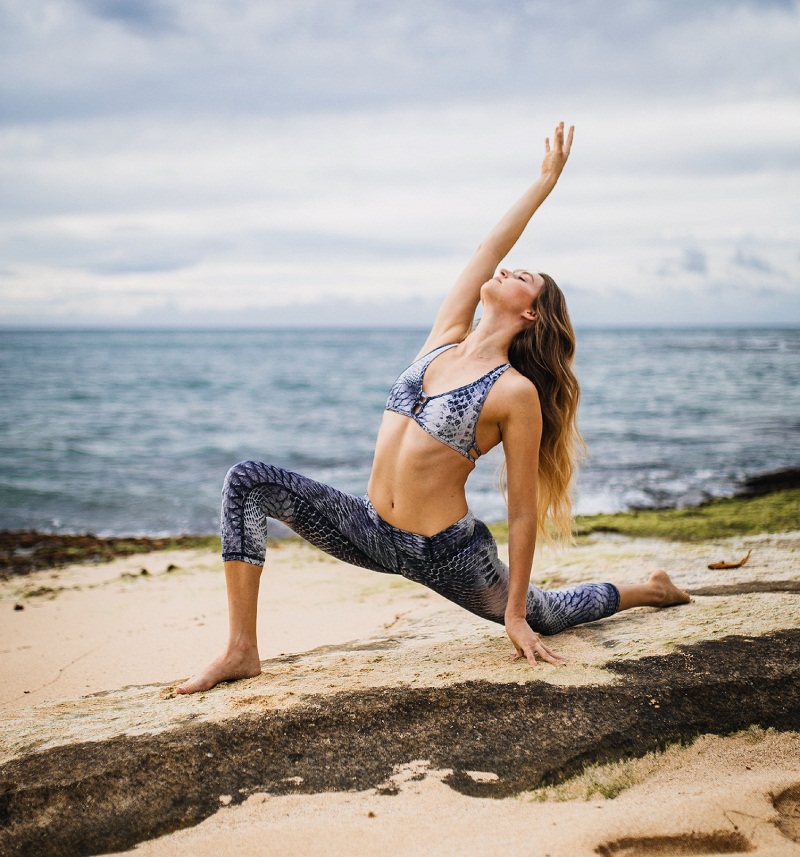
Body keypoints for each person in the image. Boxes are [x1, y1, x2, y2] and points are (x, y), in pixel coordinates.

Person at [177, 122, 689, 695]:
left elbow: (522, 512)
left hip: (444, 553)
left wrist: (513, 615)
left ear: (531, 315)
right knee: (246, 481)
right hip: (368, 528)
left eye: (523, 277)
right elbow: (488, 248)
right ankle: (241, 650)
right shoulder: (443, 338)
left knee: (546, 613)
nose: (505, 268)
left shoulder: (514, 392)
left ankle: (652, 591)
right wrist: (542, 184)